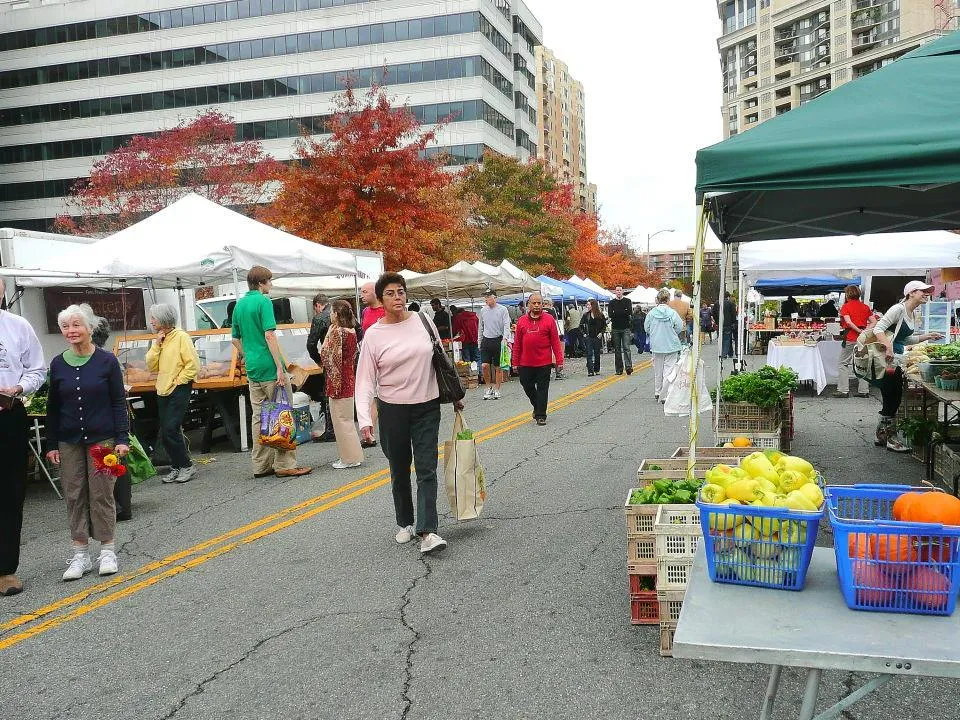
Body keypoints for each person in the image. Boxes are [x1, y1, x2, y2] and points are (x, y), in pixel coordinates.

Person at [355, 272, 456, 555]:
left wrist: (455, 396)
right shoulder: (374, 335)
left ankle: (428, 531)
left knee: (426, 468)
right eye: (390, 293)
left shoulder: (423, 320)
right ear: (380, 299)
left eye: (401, 291)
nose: (397, 297)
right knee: (399, 469)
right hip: (392, 410)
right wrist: (365, 420)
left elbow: (440, 358)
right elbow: (364, 380)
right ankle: (405, 522)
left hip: (427, 405)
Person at [45, 303, 129, 580]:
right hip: (69, 441)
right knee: (74, 494)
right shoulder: (58, 364)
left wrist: (122, 438)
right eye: (66, 326)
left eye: (76, 325)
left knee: (102, 493)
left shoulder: (107, 361)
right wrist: (51, 444)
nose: (71, 331)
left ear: (90, 329)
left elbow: (118, 402)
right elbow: (52, 408)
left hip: (103, 440)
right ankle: (80, 553)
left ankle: (107, 549)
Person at [231, 266, 312, 479]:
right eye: (269, 281)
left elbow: (234, 338)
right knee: (280, 413)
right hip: (269, 365)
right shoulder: (264, 302)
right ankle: (284, 464)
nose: (271, 285)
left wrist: (246, 356)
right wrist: (279, 366)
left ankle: (260, 465)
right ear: (261, 283)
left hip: (253, 369)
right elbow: (269, 336)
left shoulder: (239, 305)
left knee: (259, 417)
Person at [0, 277, 45, 596]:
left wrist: (19, 388)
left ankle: (5, 571)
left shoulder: (17, 326)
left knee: (10, 492)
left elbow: (37, 370)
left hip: (9, 414)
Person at [872, 281, 943, 452]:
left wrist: (927, 336)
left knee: (893, 397)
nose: (926, 294)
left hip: (896, 360)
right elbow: (878, 329)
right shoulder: (898, 309)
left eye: (927, 291)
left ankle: (882, 435)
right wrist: (888, 347)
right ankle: (890, 438)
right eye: (923, 291)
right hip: (886, 360)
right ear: (911, 293)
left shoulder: (911, 313)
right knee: (892, 397)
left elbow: (904, 339)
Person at [145, 303, 200, 484]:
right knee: (167, 430)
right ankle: (177, 465)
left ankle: (186, 465)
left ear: (163, 319)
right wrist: (156, 345)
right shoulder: (161, 339)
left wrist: (179, 381)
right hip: (162, 388)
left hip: (178, 387)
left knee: (170, 428)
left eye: (154, 318)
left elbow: (192, 364)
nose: (151, 321)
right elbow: (152, 365)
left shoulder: (181, 337)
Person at [90, 317, 132, 521]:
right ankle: (122, 505)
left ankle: (120, 506)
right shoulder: (109, 356)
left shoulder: (104, 358)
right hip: (112, 415)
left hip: (107, 417)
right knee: (116, 460)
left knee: (112, 460)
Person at [320, 300, 364, 470]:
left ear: (337, 314)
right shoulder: (351, 330)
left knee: (341, 421)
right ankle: (353, 455)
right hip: (348, 377)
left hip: (338, 381)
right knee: (347, 420)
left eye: (331, 312)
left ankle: (349, 458)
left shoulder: (338, 332)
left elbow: (330, 357)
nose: (330, 315)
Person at [512, 293, 564, 425]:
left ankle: (541, 415)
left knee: (542, 389)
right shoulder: (522, 321)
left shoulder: (549, 319)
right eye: (533, 303)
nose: (536, 305)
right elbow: (517, 343)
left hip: (544, 362)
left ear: (542, 304)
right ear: (528, 304)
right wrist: (515, 362)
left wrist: (559, 360)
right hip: (525, 362)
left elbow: (555, 342)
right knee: (526, 385)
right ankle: (537, 405)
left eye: (539, 303)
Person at [306, 293, 336, 442]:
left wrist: (319, 360)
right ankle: (343, 427)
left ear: (317, 305)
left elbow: (311, 344)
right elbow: (358, 331)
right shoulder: (343, 311)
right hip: (348, 361)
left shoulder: (319, 318)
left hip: (330, 360)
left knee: (329, 393)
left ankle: (331, 430)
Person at [833, 285, 872, 399]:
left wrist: (858, 331)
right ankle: (864, 390)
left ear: (848, 294)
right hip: (863, 338)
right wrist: (865, 331)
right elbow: (874, 321)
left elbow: (848, 322)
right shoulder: (865, 307)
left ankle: (843, 390)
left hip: (851, 337)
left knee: (843, 363)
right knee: (862, 362)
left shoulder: (846, 307)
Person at [645, 289, 684, 401]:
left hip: (657, 345)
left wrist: (654, 332)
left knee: (658, 370)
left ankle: (657, 391)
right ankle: (665, 394)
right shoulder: (672, 313)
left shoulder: (651, 313)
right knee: (669, 370)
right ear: (668, 300)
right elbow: (679, 327)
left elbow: (646, 328)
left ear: (658, 299)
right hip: (671, 344)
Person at [478, 290, 511, 400]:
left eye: (488, 297)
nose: (486, 299)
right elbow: (480, 327)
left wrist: (505, 338)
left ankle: (497, 389)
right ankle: (488, 387)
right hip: (486, 340)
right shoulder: (483, 310)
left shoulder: (502, 309)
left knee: (498, 367)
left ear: (494, 298)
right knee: (485, 365)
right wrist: (479, 342)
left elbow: (507, 324)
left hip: (498, 339)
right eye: (485, 297)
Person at [607, 286, 634, 376]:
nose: (618, 292)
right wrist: (622, 311)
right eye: (617, 290)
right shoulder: (612, 302)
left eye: (620, 290)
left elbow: (629, 312)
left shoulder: (627, 301)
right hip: (615, 328)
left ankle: (628, 367)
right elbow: (611, 314)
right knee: (617, 349)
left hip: (625, 327)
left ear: (622, 291)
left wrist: (617, 312)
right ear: (615, 292)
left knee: (626, 348)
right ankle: (619, 369)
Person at [583, 299, 607, 377]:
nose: (588, 306)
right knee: (589, 354)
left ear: (593, 305)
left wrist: (601, 333)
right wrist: (584, 334)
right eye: (587, 305)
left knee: (597, 354)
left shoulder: (600, 315)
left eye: (589, 305)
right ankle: (590, 371)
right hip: (589, 337)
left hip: (597, 337)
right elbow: (581, 325)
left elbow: (604, 325)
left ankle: (597, 369)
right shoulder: (586, 315)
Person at [721, 292, 737, 359]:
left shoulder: (717, 303)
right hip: (728, 324)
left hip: (720, 324)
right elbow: (733, 314)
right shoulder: (731, 304)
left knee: (723, 339)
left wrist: (717, 322)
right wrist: (733, 322)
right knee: (727, 339)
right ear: (728, 297)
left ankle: (730, 352)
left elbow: (713, 313)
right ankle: (724, 354)